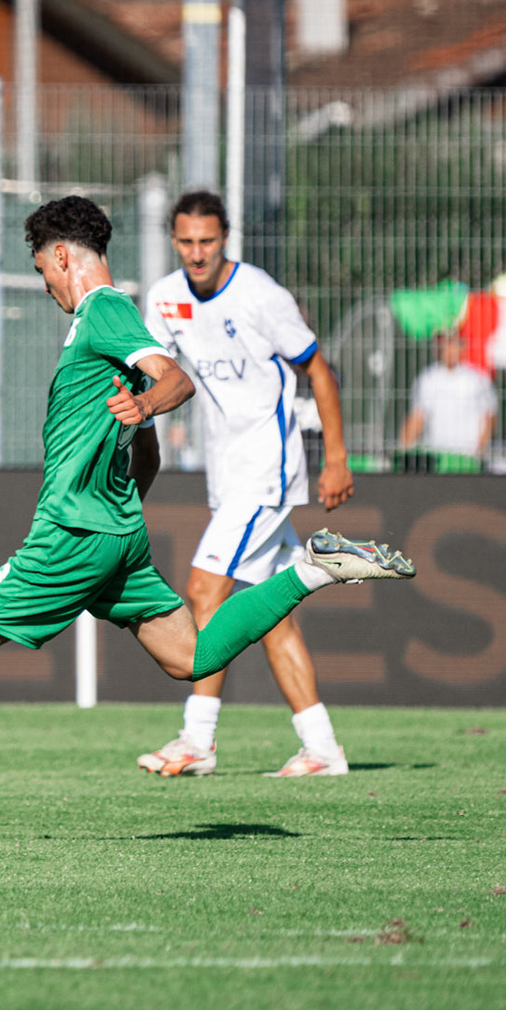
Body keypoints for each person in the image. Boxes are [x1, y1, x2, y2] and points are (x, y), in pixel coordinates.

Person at [0, 196, 415, 840]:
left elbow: (174, 381)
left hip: (72, 535)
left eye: (42, 271)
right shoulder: (107, 327)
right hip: (116, 535)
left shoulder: (105, 311)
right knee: (193, 656)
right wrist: (128, 491)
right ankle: (312, 570)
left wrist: (145, 408)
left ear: (62, 255)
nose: (45, 285)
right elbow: (140, 441)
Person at [135, 190, 360, 780]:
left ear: (225, 238)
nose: (196, 253)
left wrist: (335, 457)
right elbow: (150, 369)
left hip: (267, 468)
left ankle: (198, 739)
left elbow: (317, 367)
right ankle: (322, 747)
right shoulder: (164, 298)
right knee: (273, 616)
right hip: (226, 471)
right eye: (185, 242)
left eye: (206, 241)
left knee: (205, 592)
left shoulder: (261, 295)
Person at [399, 330, 498, 469]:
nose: (447, 348)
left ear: (462, 346)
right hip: (436, 460)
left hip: (467, 459)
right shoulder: (428, 379)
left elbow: (489, 418)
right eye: (443, 343)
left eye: (452, 342)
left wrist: (479, 451)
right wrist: (403, 451)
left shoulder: (477, 378)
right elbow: (417, 418)